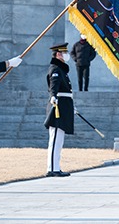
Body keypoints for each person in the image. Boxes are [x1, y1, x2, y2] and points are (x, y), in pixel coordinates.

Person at [44, 43, 74, 177]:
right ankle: (52, 169)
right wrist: (53, 97)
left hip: (64, 106)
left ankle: (56, 167)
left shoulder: (61, 69)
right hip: (58, 107)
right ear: (58, 55)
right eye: (64, 53)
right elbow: (53, 86)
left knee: (59, 140)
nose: (66, 55)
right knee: (55, 139)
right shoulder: (56, 69)